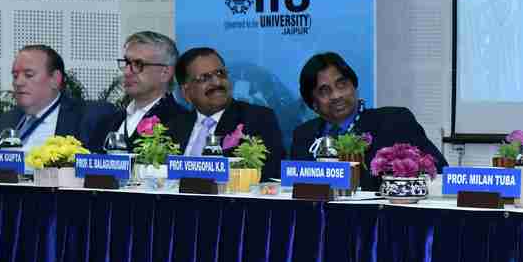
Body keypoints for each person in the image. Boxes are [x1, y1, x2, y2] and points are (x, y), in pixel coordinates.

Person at [288, 51, 447, 190]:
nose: (336, 95)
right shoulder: (304, 135)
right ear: (313, 104)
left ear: (354, 86)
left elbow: (438, 171)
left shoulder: (394, 122)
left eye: (342, 85)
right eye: (325, 91)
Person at [167, 47, 285, 180]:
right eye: (204, 78)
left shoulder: (258, 120)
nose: (217, 82)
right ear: (186, 92)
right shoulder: (174, 127)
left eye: (220, 73)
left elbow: (269, 175)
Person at [0, 45, 115, 154]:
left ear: (55, 79)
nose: (18, 82)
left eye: (29, 75)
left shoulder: (89, 118)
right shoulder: (2, 123)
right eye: (15, 76)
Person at [91, 30, 185, 151]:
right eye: (126, 63)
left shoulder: (182, 124)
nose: (127, 72)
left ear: (165, 73)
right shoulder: (107, 122)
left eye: (138, 64)